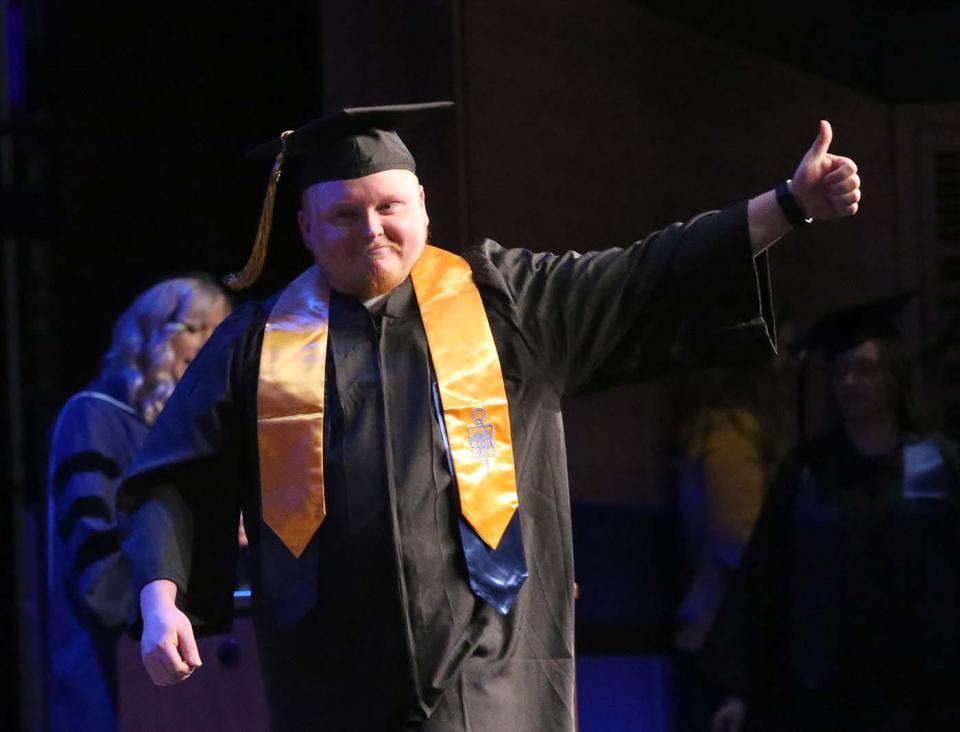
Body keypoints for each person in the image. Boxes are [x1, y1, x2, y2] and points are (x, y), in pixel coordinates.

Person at [117, 102, 861, 731]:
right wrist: (160, 602)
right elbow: (173, 474)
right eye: (343, 214)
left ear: (423, 205)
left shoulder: (507, 302)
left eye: (389, 206)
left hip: (496, 668)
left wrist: (789, 205)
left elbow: (647, 273)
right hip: (331, 674)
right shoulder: (256, 343)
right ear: (306, 230)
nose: (371, 228)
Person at [705, 293, 960, 732]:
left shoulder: (939, 465)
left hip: (926, 696)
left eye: (866, 369)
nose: (851, 382)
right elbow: (763, 582)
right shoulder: (807, 475)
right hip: (824, 695)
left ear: (896, 378)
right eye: (841, 371)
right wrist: (738, 689)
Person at [46, 275, 230, 732]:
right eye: (194, 328)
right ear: (150, 336)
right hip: (110, 670)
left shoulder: (189, 438)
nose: (210, 344)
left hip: (201, 683)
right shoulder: (93, 417)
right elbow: (98, 575)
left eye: (219, 330)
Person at [670, 312, 798, 732]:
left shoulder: (727, 428)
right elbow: (735, 540)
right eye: (786, 350)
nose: (791, 365)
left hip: (727, 640)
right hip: (726, 646)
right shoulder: (731, 432)